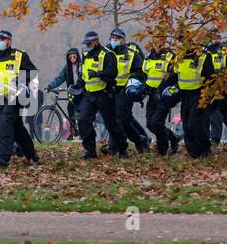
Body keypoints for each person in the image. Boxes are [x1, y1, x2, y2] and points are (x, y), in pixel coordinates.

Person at [0, 29, 40, 167]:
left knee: (5, 122)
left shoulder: (19, 56)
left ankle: (3, 157)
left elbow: (32, 73)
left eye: (0, 41)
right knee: (12, 126)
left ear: (8, 41)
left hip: (15, 97)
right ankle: (32, 154)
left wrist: (20, 83)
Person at [76, 30, 126, 158]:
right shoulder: (86, 54)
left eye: (89, 43)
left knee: (111, 124)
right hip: (89, 94)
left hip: (104, 94)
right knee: (83, 120)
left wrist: (98, 74)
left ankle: (122, 149)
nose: (87, 46)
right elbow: (83, 73)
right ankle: (90, 151)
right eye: (86, 43)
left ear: (96, 41)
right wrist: (79, 83)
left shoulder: (107, 54)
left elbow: (113, 72)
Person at [108, 28, 150, 153]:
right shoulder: (107, 52)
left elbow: (140, 71)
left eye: (117, 38)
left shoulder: (131, 53)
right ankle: (139, 139)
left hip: (125, 91)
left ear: (123, 40)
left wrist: (132, 79)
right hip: (111, 91)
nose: (114, 40)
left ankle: (116, 147)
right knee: (124, 120)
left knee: (119, 119)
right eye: (112, 38)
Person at [46, 47, 87, 142]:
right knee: (70, 108)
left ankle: (83, 132)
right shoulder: (67, 68)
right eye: (70, 57)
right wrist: (50, 86)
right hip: (72, 93)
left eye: (74, 56)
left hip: (82, 92)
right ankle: (73, 129)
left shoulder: (82, 65)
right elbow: (59, 78)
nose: (72, 58)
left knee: (80, 112)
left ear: (77, 56)